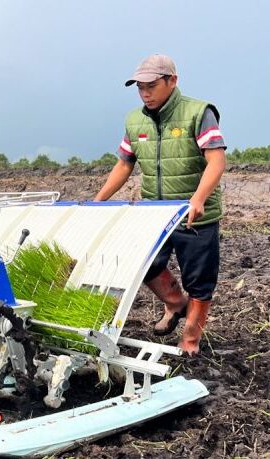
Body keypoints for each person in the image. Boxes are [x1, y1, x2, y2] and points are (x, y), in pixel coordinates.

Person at [95, 54, 226, 355]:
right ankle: (174, 303)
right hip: (153, 213)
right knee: (144, 264)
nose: (145, 93)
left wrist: (198, 198)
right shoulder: (134, 120)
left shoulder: (199, 112)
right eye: (140, 87)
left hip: (193, 215)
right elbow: (125, 164)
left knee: (199, 281)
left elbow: (216, 160)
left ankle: (191, 338)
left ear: (172, 81)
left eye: (151, 86)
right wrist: (98, 201)